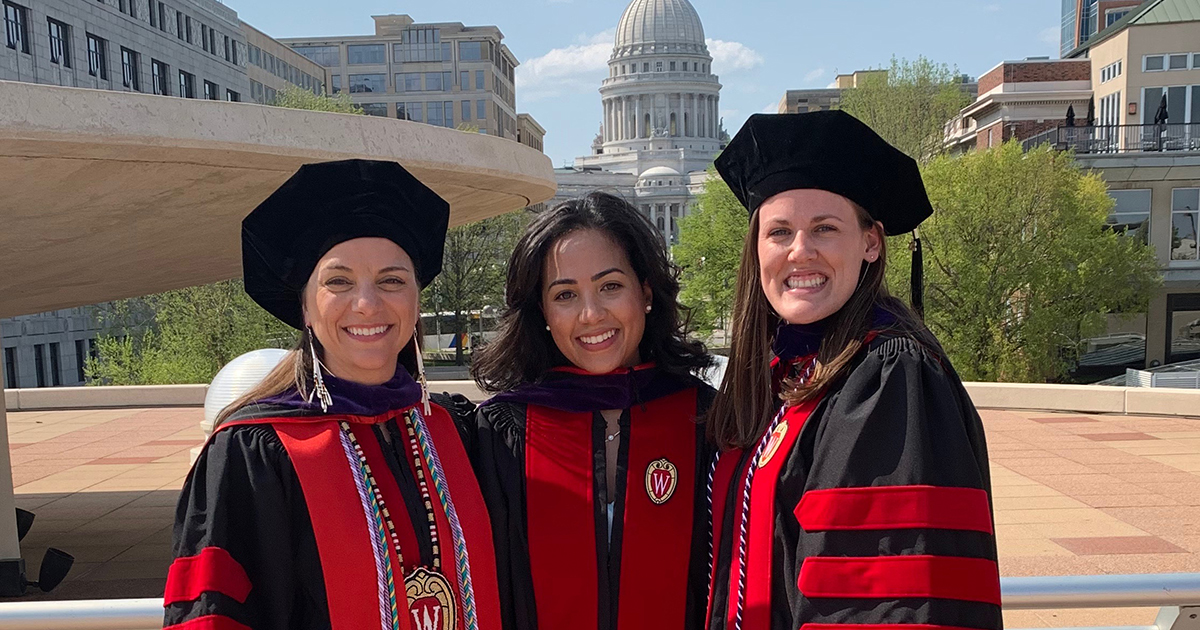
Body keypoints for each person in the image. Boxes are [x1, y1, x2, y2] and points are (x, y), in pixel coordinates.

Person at [164, 159, 501, 630]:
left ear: (417, 300)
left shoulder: (458, 430)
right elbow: (213, 616)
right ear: (304, 305)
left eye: (392, 280)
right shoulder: (252, 453)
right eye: (338, 281)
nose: (367, 303)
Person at [704, 112, 1001, 630]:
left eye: (824, 228)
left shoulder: (889, 378)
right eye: (779, 232)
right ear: (757, 248)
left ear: (871, 243)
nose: (800, 251)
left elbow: (886, 598)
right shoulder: (783, 376)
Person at [464, 192, 716, 630]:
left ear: (647, 291)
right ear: (542, 311)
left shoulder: (708, 421)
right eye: (565, 295)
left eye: (610, 286)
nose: (590, 314)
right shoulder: (500, 433)